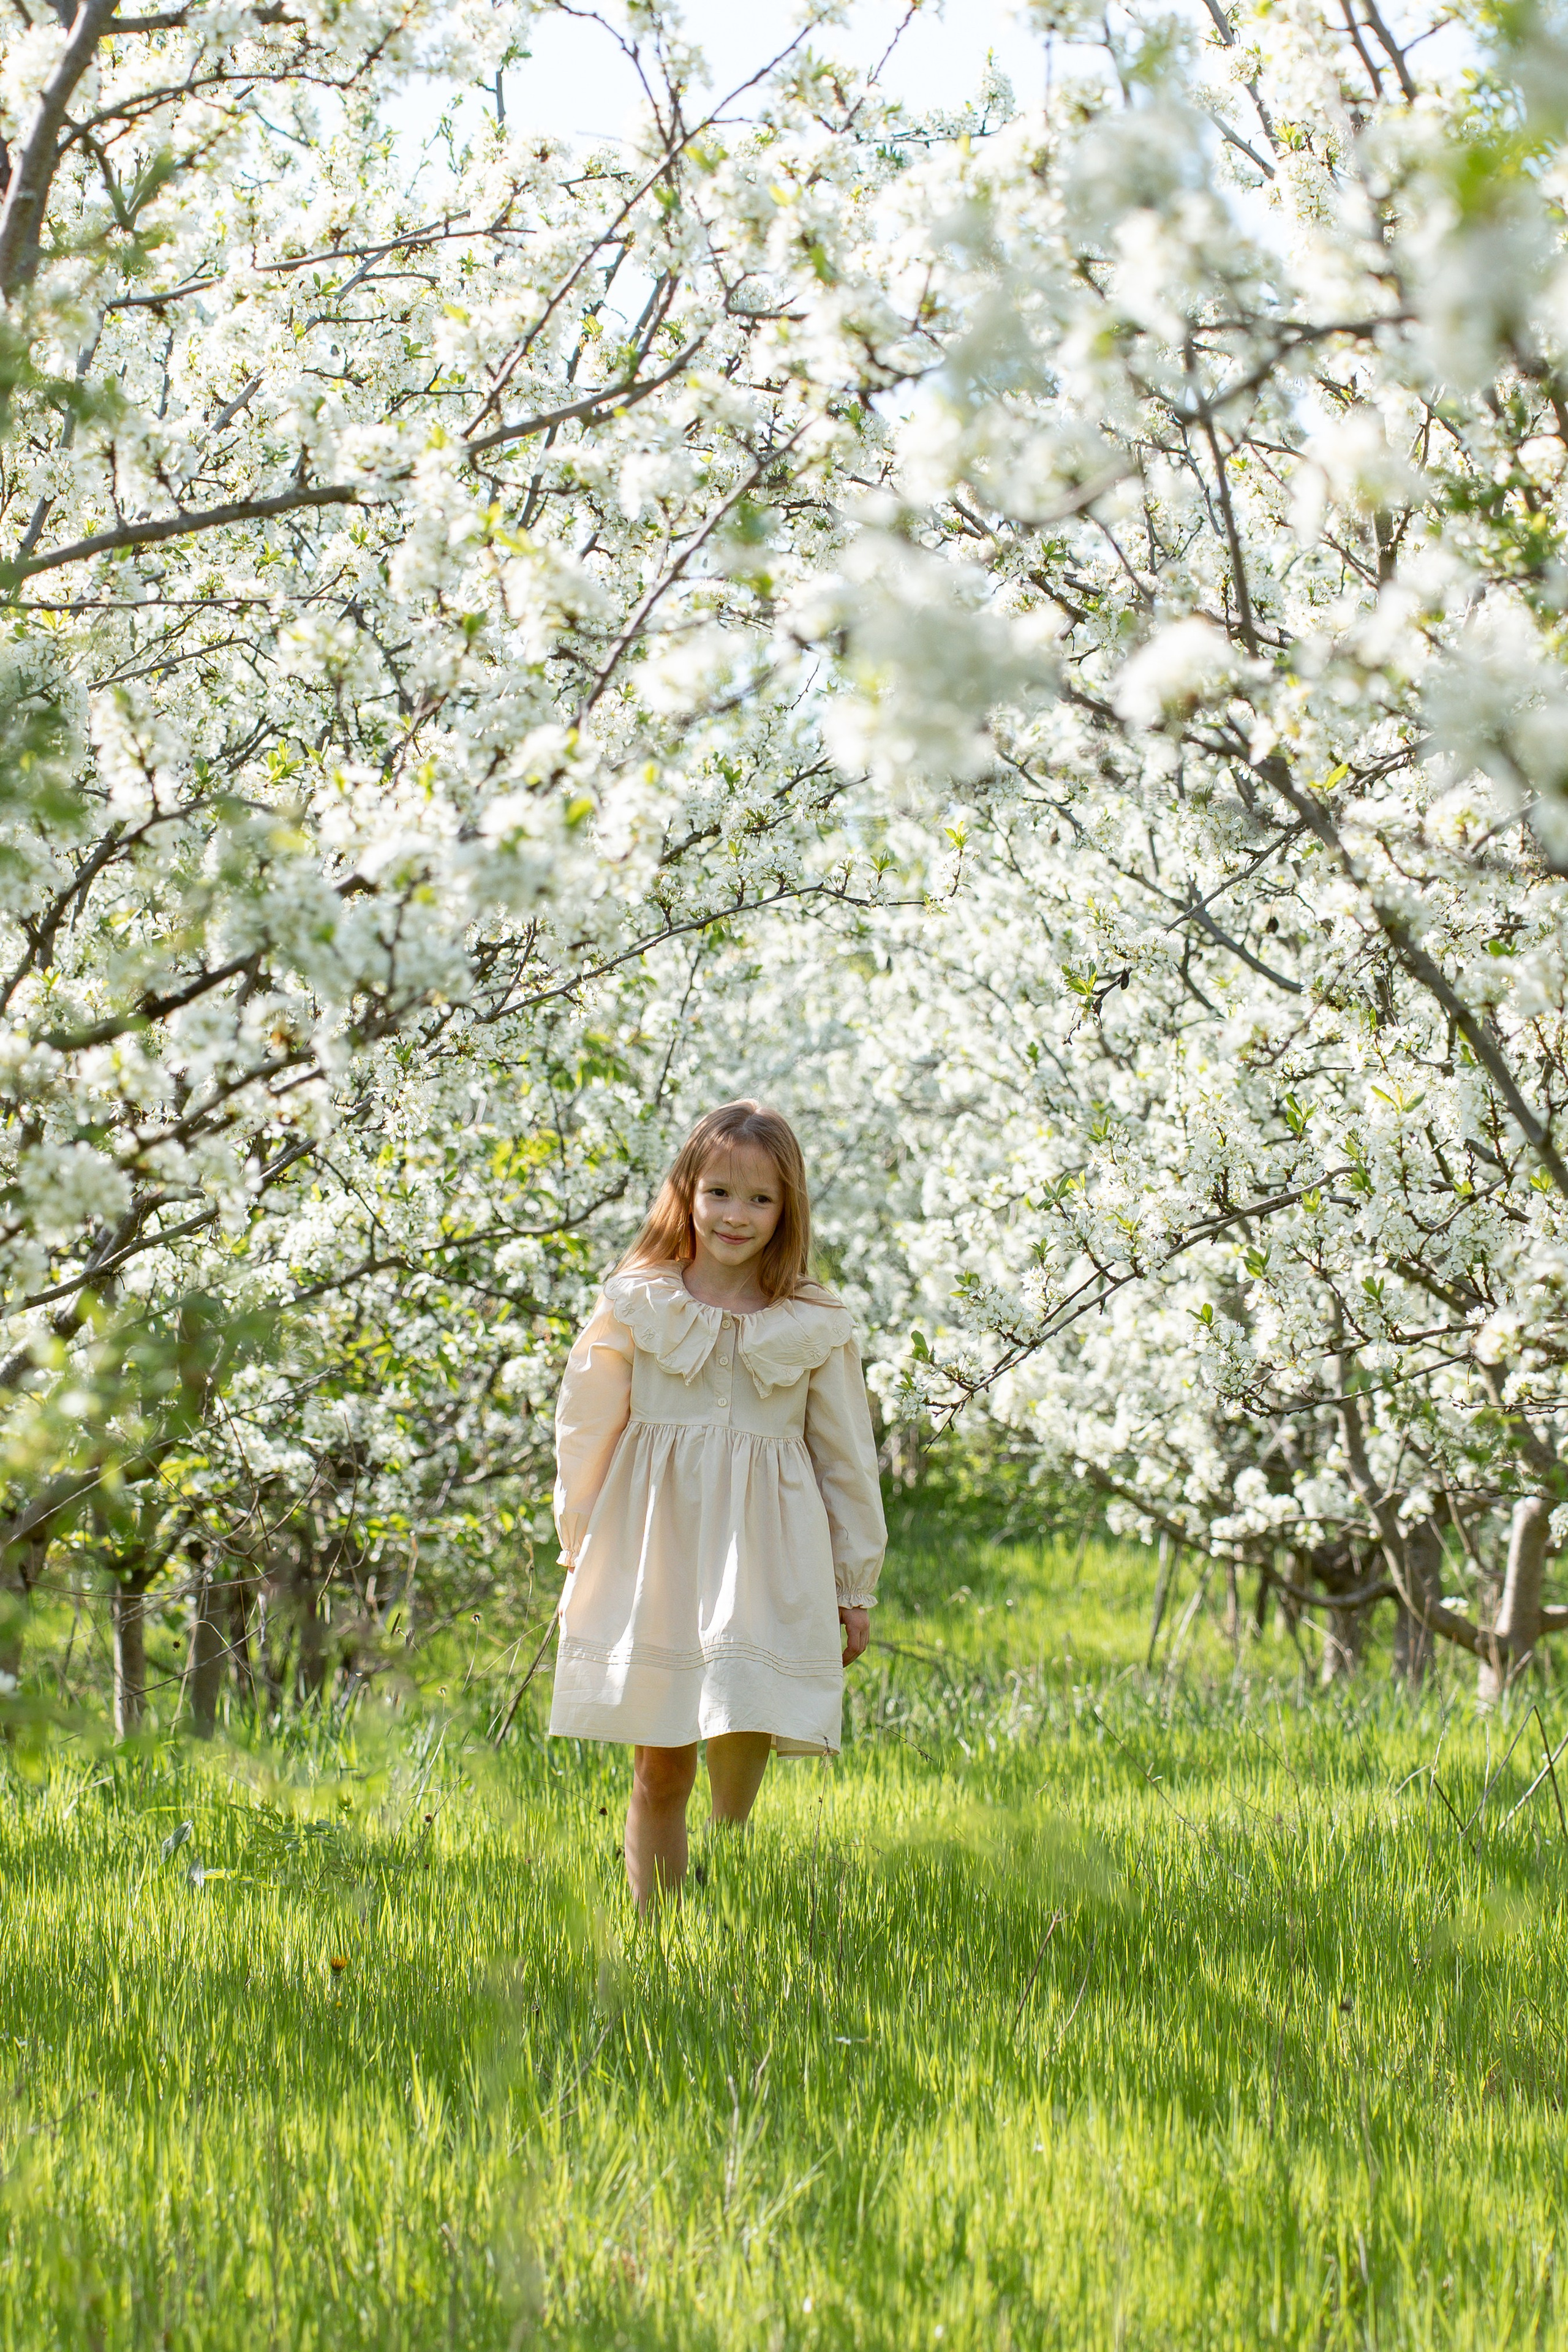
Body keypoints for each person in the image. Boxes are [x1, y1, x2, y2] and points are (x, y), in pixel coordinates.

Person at [548, 1101, 886, 1907]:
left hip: (764, 1547)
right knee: (660, 1760)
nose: (738, 1216)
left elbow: (846, 1457)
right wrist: (578, 1541)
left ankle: (730, 1877)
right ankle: (654, 1935)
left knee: (741, 1709)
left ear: (787, 1208)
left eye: (761, 1199)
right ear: (688, 1193)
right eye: (720, 1194)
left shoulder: (814, 1322)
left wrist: (854, 1581)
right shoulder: (640, 1301)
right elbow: (585, 1424)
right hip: (653, 1540)